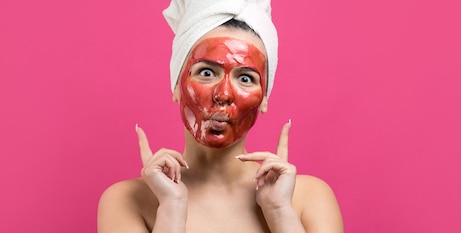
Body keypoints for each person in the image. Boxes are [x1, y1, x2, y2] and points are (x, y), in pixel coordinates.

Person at [97, 0, 344, 232]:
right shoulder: (128, 200)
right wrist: (171, 210)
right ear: (176, 85)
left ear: (264, 97)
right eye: (206, 72)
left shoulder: (308, 198)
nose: (223, 94)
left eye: (245, 78)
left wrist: (280, 212)